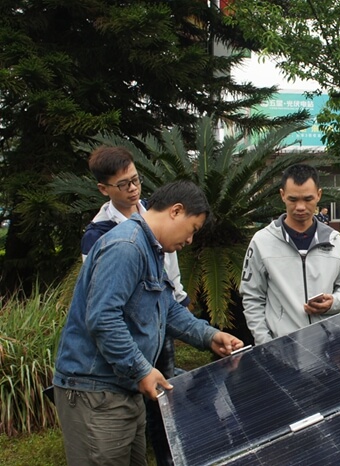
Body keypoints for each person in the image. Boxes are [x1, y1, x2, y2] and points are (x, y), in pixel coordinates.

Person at [53, 180, 243, 466]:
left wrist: (209, 335)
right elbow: (103, 318)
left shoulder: (150, 249)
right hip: (97, 393)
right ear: (176, 211)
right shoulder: (126, 247)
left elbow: (166, 308)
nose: (190, 241)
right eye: (193, 230)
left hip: (122, 390)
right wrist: (142, 369)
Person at [81, 145, 187, 465]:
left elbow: (171, 274)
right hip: (127, 335)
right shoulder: (99, 234)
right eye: (123, 184)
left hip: (160, 322)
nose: (133, 189)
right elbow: (101, 303)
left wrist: (181, 308)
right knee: (141, 398)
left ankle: (168, 455)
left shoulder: (155, 215)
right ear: (103, 189)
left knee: (163, 398)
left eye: (135, 180)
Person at [240, 164, 340, 346]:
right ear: (282, 195)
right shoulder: (262, 242)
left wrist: (333, 302)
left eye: (308, 199)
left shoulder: (334, 240)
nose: (301, 207)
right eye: (293, 199)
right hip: (280, 350)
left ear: (319, 195)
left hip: (329, 349)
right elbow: (252, 297)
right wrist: (265, 342)